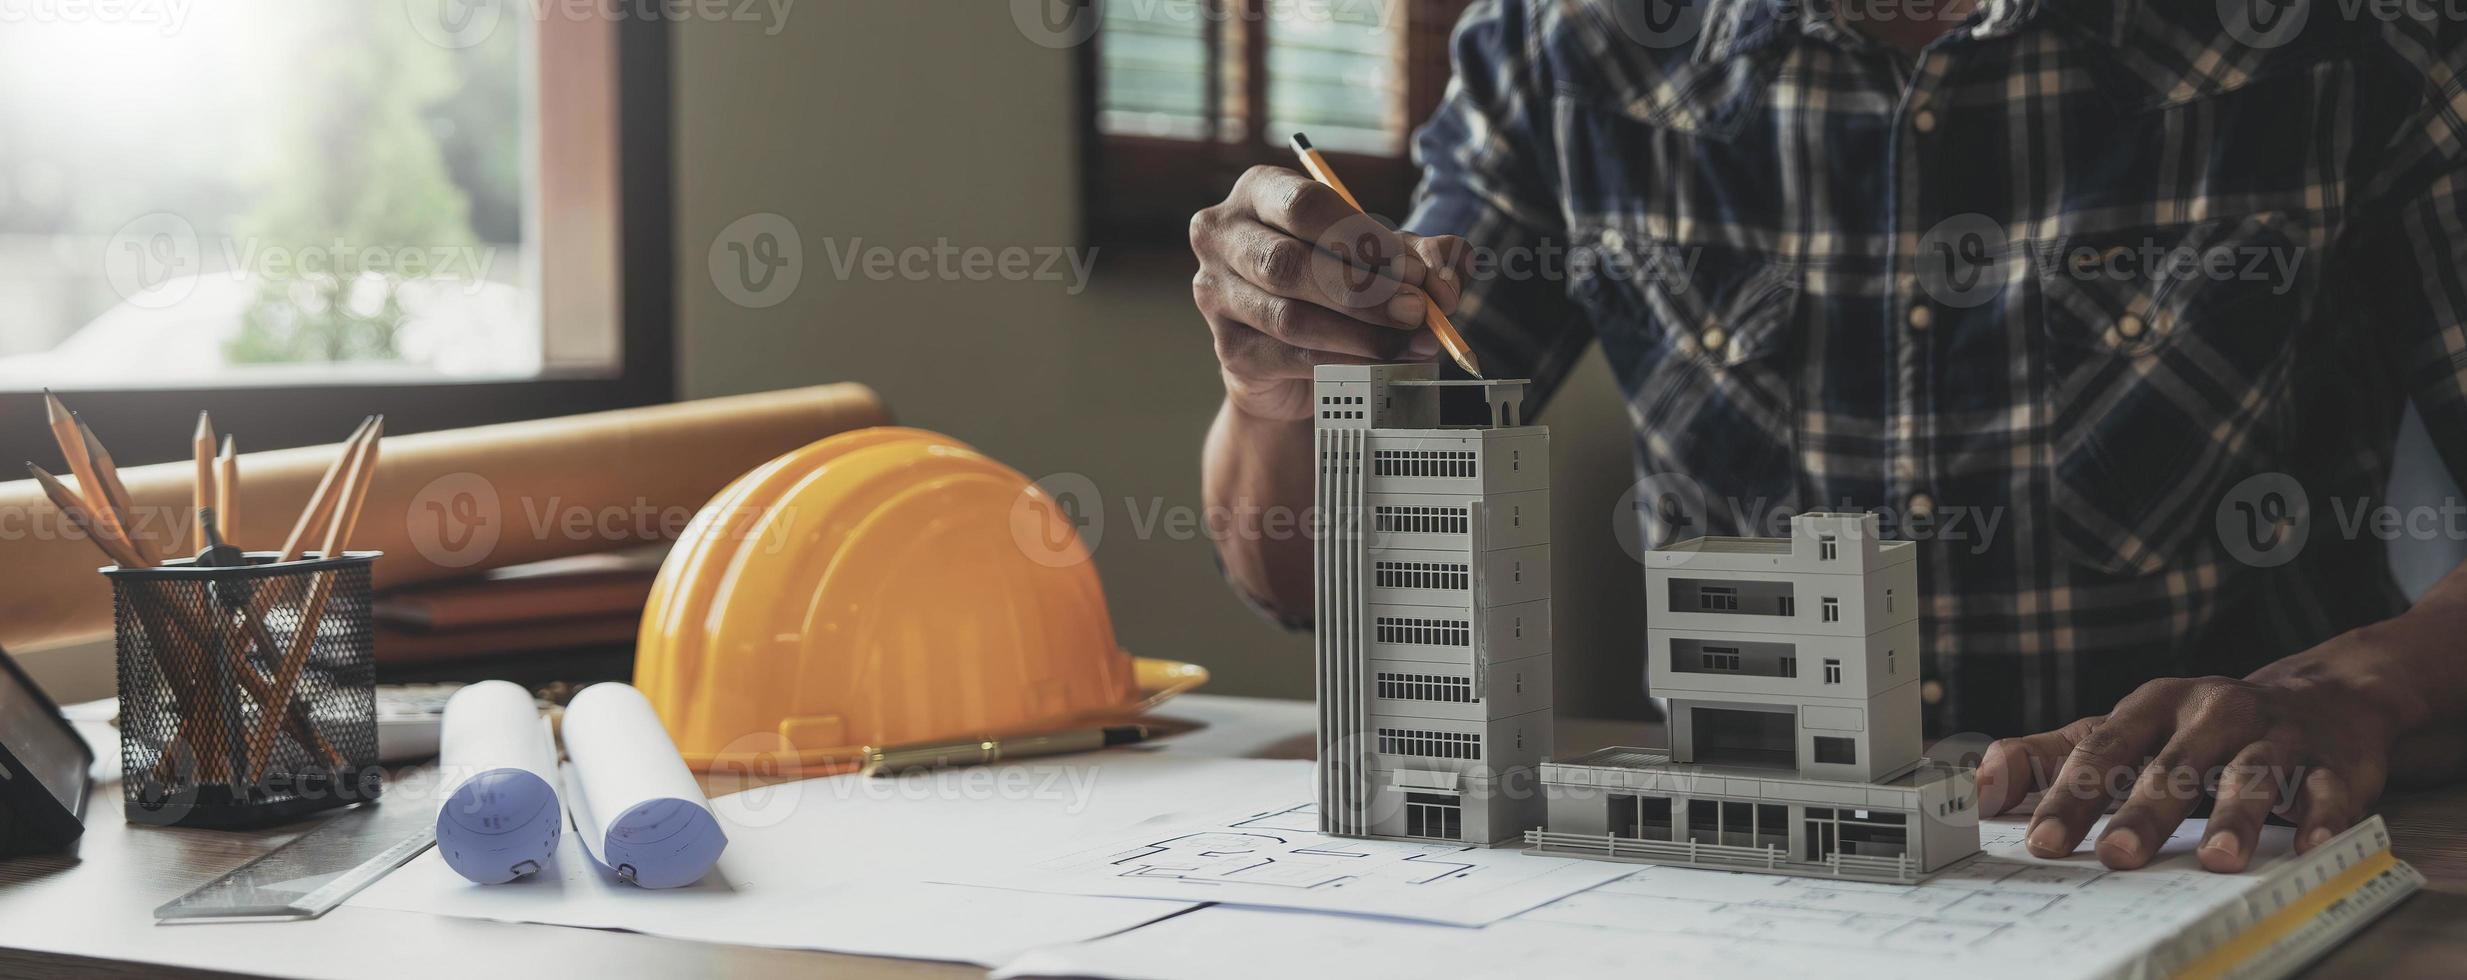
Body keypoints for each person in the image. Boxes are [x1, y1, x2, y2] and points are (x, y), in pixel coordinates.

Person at [1190, 0, 2467, 872]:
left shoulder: (2358, 39)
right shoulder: (1567, 44)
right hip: (1748, 876)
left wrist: (2362, 680)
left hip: (2227, 852)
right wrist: (1282, 395)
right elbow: (1310, 575)